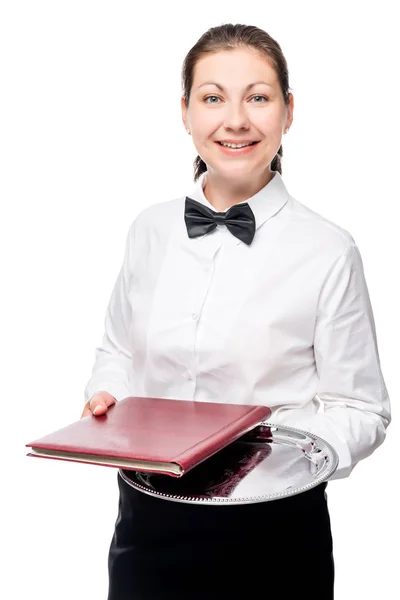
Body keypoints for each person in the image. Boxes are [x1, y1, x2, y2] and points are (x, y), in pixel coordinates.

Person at [81, 23, 391, 599]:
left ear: (288, 111)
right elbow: (117, 351)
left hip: (273, 533)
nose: (236, 120)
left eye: (258, 96)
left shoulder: (328, 249)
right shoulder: (148, 230)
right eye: (213, 97)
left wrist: (269, 446)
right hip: (147, 523)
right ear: (185, 111)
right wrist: (108, 396)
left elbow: (362, 408)